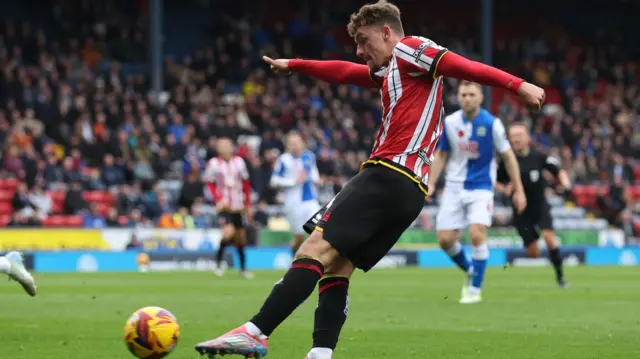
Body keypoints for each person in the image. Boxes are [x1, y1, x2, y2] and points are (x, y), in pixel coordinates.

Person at [194, 1, 545, 358]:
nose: (360, 51)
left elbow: (460, 65)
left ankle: (256, 331)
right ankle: (320, 354)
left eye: (364, 40)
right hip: (409, 192)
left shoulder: (411, 49)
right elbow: (344, 72)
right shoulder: (392, 69)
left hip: (388, 173)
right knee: (337, 267)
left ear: (387, 32)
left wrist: (518, 85)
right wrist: (296, 65)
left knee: (314, 248)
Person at [426, 81, 526, 304]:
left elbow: (508, 157)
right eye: (463, 94)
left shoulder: (493, 125)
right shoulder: (450, 123)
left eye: (472, 94)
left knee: (477, 233)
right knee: (444, 239)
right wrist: (431, 183)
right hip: (454, 186)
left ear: (481, 97)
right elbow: (441, 154)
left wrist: (519, 190)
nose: (467, 98)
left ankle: (474, 289)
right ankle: (471, 269)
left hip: (481, 187)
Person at [496, 123, 571, 287]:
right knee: (533, 253)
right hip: (521, 212)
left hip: (539, 206)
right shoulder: (506, 161)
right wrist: (505, 188)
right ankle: (535, 240)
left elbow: (558, 170)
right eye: (513, 136)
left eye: (519, 135)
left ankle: (560, 278)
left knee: (550, 239)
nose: (516, 139)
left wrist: (565, 184)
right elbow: (494, 181)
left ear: (527, 138)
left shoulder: (539, 157)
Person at [203, 137, 253, 279]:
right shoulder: (213, 164)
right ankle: (218, 264)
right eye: (221, 146)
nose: (224, 148)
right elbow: (210, 184)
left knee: (240, 238)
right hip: (224, 205)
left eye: (226, 145)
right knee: (228, 233)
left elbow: (246, 184)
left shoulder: (239, 162)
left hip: (238, 204)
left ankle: (243, 269)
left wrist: (248, 204)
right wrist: (218, 199)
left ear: (232, 147)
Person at [270, 131, 321, 255]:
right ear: (288, 146)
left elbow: (314, 173)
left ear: (302, 143)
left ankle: (317, 259)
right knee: (299, 236)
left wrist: (317, 180)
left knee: (320, 228)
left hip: (310, 200)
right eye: (292, 143)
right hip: (293, 203)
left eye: (298, 142)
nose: (296, 145)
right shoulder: (283, 160)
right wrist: (293, 182)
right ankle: (294, 261)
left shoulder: (309, 156)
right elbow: (273, 181)